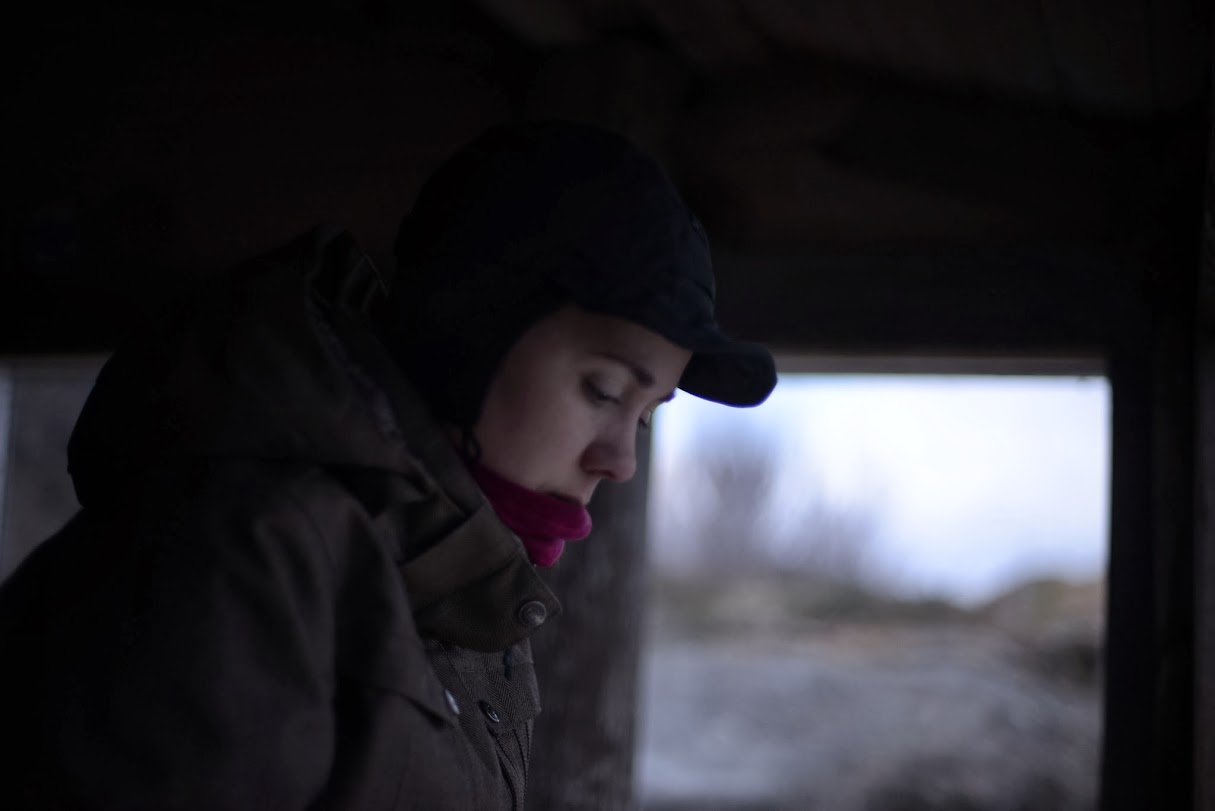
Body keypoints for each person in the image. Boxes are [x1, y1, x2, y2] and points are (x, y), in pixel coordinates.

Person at [0, 119, 776, 809]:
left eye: (646, 415)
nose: (619, 460)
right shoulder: (244, 554)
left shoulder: (454, 581)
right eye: (603, 389)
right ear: (468, 330)